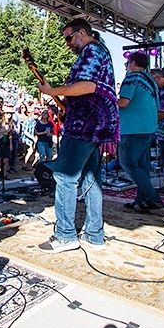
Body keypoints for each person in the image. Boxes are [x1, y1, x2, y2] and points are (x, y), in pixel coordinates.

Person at [37, 19, 119, 253]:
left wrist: (53, 91)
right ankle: (94, 234)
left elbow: (88, 85)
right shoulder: (102, 51)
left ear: (82, 32)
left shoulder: (92, 51)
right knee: (91, 179)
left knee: (64, 176)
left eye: (69, 38)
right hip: (97, 122)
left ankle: (65, 235)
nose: (67, 44)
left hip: (86, 123)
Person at [118, 52, 164, 214]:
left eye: (127, 63)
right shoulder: (151, 80)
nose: (127, 66)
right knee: (142, 166)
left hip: (132, 128)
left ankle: (152, 197)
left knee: (128, 163)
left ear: (134, 63)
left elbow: (123, 102)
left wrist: (107, 102)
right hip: (149, 127)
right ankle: (141, 200)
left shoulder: (131, 79)